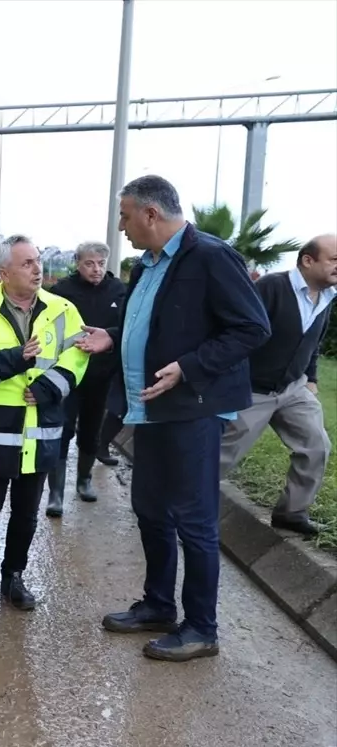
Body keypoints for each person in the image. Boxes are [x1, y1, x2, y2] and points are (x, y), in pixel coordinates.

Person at [77, 175, 270, 662]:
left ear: (149, 214)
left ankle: (201, 627)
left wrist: (188, 368)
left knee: (194, 520)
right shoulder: (146, 265)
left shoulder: (209, 255)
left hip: (192, 410)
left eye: (124, 216)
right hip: (149, 408)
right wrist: (113, 336)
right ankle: (159, 605)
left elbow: (251, 328)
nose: (120, 227)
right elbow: (152, 324)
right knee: (150, 511)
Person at [0, 235, 89, 621]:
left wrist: (51, 387)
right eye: (27, 263)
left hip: (41, 430)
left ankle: (13, 577)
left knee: (27, 514)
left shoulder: (63, 309)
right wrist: (17, 359)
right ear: (4, 273)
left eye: (38, 262)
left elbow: (79, 354)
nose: (38, 269)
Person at [220, 234, 335, 537]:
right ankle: (182, 508)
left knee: (316, 446)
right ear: (308, 260)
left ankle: (291, 513)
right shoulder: (272, 287)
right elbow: (239, 332)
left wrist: (310, 379)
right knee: (221, 455)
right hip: (252, 390)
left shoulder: (327, 296)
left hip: (293, 389)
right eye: (334, 260)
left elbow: (313, 342)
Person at [44, 241, 127, 515]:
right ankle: (55, 493)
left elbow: (128, 328)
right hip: (68, 375)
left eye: (101, 263)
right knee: (62, 430)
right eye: (90, 263)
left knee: (91, 432)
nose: (96, 269)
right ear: (78, 264)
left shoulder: (119, 292)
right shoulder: (61, 292)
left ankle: (84, 480)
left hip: (102, 376)